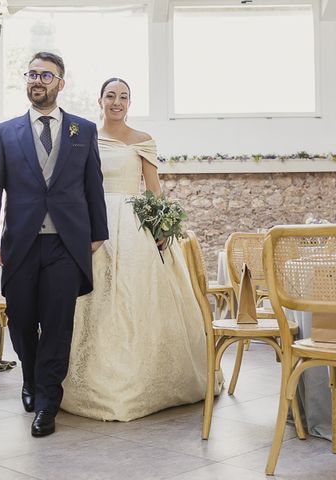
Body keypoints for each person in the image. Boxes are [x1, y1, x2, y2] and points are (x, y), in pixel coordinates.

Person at [61, 78, 215, 421]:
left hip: (133, 225)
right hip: (95, 224)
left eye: (124, 97)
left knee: (135, 297)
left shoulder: (143, 141)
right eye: (111, 96)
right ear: (99, 100)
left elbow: (154, 189)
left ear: (130, 103)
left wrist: (162, 227)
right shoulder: (84, 137)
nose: (117, 102)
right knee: (93, 298)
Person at [0, 52, 109, 437]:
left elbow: (93, 185)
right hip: (20, 243)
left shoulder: (82, 131)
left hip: (66, 244)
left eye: (46, 75)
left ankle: (48, 402)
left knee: (57, 324)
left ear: (60, 83)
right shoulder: (5, 133)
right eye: (32, 74)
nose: (38, 80)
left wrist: (97, 231)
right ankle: (30, 379)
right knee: (20, 321)